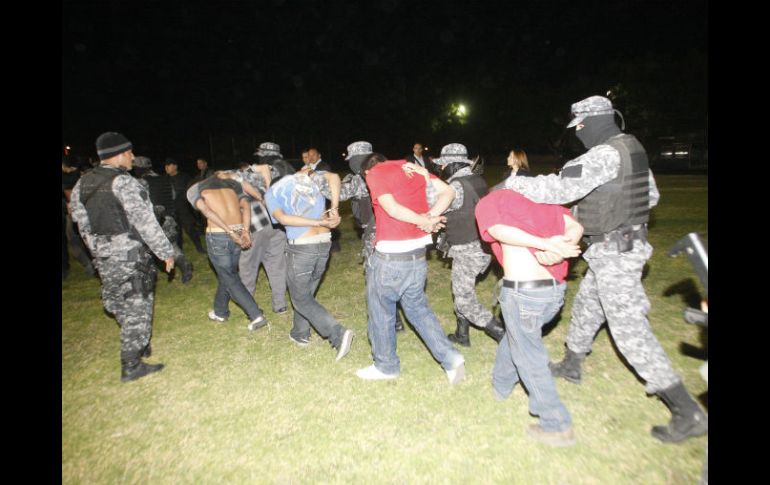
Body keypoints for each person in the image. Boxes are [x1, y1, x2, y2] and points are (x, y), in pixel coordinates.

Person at [502, 95, 707, 443]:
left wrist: (516, 182)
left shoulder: (604, 153)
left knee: (629, 331)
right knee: (587, 306)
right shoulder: (632, 148)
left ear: (587, 123)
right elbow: (651, 196)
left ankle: (687, 411)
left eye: (579, 127)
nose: (578, 133)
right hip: (619, 246)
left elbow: (560, 188)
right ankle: (572, 364)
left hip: (617, 252)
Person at [476, 188, 583, 446]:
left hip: (523, 294)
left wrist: (548, 246)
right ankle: (501, 384)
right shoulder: (545, 200)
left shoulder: (492, 200)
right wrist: (561, 246)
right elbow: (575, 227)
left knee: (528, 356)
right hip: (553, 293)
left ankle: (556, 424)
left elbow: (498, 230)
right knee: (518, 336)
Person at [70, 132, 174, 382]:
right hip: (129, 254)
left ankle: (139, 342)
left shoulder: (82, 183)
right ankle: (131, 363)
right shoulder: (124, 183)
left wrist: (98, 249)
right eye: (129, 153)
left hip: (104, 255)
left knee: (116, 300)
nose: (133, 157)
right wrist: (165, 252)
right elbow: (145, 221)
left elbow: (81, 223)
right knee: (138, 303)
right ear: (118, 155)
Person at [355, 153, 465, 384]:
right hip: (417, 257)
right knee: (418, 310)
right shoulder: (411, 169)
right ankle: (451, 359)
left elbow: (392, 209)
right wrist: (430, 216)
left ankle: (386, 367)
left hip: (390, 259)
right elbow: (449, 192)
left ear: (366, 172)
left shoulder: (375, 173)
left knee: (381, 313)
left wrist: (424, 220)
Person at [264, 165, 354, 361]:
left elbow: (283, 218)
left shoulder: (272, 192)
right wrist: (334, 209)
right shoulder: (308, 177)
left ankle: (337, 333)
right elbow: (334, 177)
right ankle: (300, 333)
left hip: (302, 246)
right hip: (324, 243)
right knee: (306, 291)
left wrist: (317, 222)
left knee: (300, 298)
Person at [419, 143, 505, 346]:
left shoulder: (455, 187)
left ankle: (503, 335)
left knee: (464, 299)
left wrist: (426, 181)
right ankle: (462, 334)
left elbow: (431, 206)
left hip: (468, 248)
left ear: (452, 164)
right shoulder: (477, 179)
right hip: (481, 245)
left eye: (443, 165)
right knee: (461, 289)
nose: (441, 168)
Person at [187, 171, 270, 331]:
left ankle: (256, 315)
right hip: (238, 230)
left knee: (229, 276)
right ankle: (220, 311)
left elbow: (207, 211)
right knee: (227, 273)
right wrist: (245, 231)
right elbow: (246, 206)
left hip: (219, 234)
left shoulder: (195, 189)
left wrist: (230, 232)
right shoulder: (233, 185)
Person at [340, 141, 407, 332]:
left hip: (375, 232)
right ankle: (399, 317)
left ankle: (392, 321)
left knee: (377, 278)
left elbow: (340, 194)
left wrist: (321, 179)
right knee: (396, 275)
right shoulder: (389, 171)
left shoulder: (359, 178)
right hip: (396, 227)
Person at [132, 156, 193, 283]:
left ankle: (150, 276)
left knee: (150, 248)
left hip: (152, 221)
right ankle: (184, 263)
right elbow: (173, 196)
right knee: (172, 245)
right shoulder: (164, 179)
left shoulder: (140, 182)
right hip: (168, 218)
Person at [164, 158, 205, 254]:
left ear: (175, 166)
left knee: (190, 228)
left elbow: (192, 190)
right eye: (165, 166)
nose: (166, 168)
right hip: (172, 209)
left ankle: (200, 248)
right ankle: (180, 250)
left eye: (168, 165)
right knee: (176, 230)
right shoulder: (165, 179)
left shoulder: (184, 177)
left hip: (184, 207)